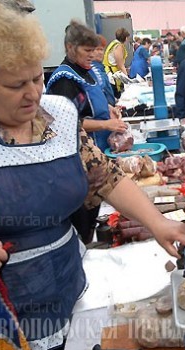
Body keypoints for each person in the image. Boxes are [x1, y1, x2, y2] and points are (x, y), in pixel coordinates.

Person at [0, 1, 185, 350]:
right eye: (16, 85)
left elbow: (105, 177)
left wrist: (158, 224)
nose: (33, 93)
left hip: (64, 292)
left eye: (35, 78)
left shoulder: (57, 116)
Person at [46, 21, 127, 245]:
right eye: (87, 50)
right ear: (70, 48)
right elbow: (67, 124)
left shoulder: (85, 71)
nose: (93, 55)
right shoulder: (65, 80)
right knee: (84, 215)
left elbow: (91, 104)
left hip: (98, 153)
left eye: (94, 50)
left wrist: (107, 110)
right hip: (79, 161)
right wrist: (106, 125)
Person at [103, 27, 130, 98]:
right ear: (126, 38)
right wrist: (127, 79)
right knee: (116, 96)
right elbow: (120, 65)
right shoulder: (118, 46)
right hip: (112, 75)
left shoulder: (113, 43)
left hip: (109, 72)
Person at [93, 34, 116, 106]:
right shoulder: (93, 70)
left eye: (102, 49)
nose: (100, 52)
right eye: (97, 49)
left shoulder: (100, 68)